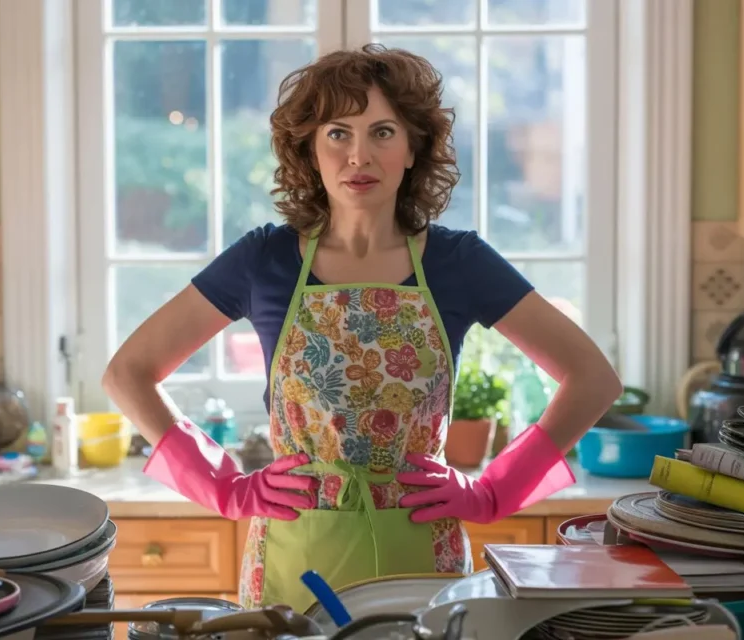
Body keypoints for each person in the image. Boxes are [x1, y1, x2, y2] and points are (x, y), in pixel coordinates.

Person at [102, 43, 623, 612]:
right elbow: (127, 373)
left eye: (382, 132)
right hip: (295, 559)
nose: (358, 156)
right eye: (337, 134)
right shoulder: (264, 261)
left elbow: (593, 378)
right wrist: (223, 488)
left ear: (412, 147)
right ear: (309, 148)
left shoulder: (459, 263)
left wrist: (494, 491)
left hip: (421, 552)